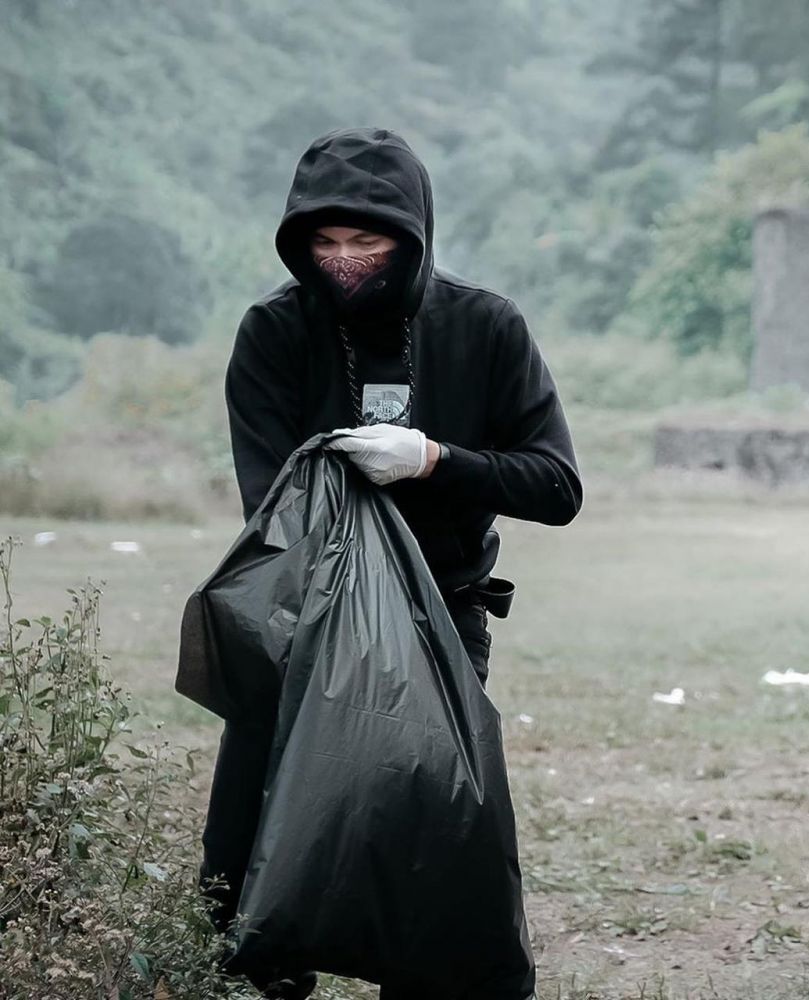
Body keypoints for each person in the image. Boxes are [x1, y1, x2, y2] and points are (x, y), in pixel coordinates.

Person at [199, 126, 582, 999]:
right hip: (300, 622)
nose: (344, 261)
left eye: (367, 241)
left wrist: (435, 461)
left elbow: (557, 485)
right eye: (324, 243)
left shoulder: (485, 328)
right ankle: (263, 973)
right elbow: (270, 505)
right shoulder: (273, 332)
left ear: (411, 234)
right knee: (261, 828)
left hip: (446, 617)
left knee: (429, 829)